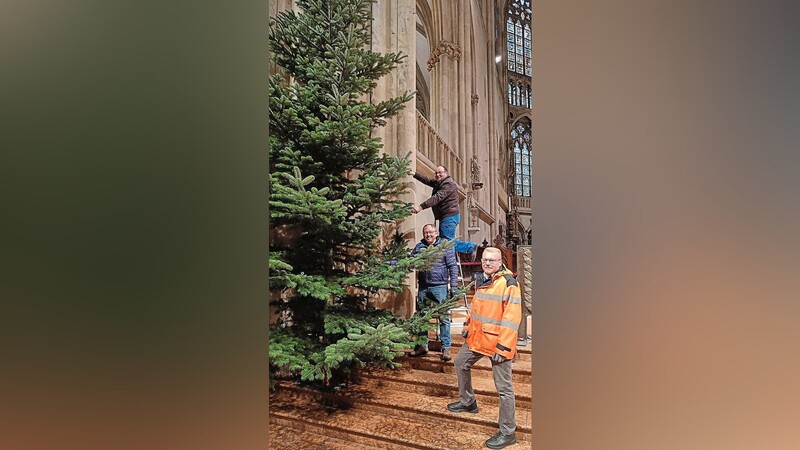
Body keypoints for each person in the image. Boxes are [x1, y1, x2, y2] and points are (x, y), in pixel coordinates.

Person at [446, 247, 522, 449]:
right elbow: (476, 308)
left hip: (498, 344)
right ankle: (468, 402)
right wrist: (466, 326)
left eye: (492, 260)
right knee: (460, 363)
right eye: (485, 260)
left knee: (504, 389)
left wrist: (504, 347)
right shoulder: (483, 279)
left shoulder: (508, 283)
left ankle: (508, 432)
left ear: (500, 262)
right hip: (478, 338)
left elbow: (512, 319)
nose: (487, 263)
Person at [409, 224, 459, 361]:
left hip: (440, 287)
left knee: (443, 318)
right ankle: (421, 346)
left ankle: (446, 348)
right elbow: (409, 262)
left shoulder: (444, 246)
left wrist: (454, 285)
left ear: (436, 233)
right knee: (422, 317)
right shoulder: (420, 247)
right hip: (424, 287)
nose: (428, 235)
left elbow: (452, 266)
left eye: (431, 232)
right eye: (426, 233)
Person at [411, 166, 476, 254]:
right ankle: (469, 248)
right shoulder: (440, 183)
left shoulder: (448, 184)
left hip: (449, 216)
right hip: (447, 216)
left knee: (446, 243)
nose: (438, 175)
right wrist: (414, 174)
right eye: (436, 173)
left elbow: (437, 197)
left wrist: (420, 207)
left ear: (446, 173)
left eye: (440, 172)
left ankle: (470, 247)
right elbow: (428, 180)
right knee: (445, 242)